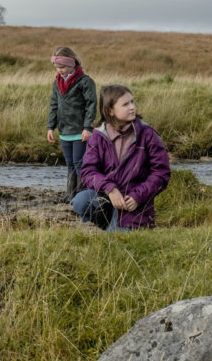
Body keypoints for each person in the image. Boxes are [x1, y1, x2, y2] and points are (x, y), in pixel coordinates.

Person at [72, 84, 171, 231]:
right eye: (125, 104)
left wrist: (138, 196)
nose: (132, 107)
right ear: (109, 111)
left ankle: (116, 226)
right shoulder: (97, 137)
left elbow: (161, 173)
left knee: (119, 242)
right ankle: (106, 223)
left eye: (132, 102)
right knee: (80, 201)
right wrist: (110, 189)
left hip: (133, 203)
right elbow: (88, 171)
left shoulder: (148, 134)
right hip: (106, 196)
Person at [47, 46, 97, 203]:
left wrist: (87, 127)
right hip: (64, 131)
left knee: (79, 164)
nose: (59, 70)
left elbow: (91, 105)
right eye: (57, 67)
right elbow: (54, 105)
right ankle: (70, 194)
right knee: (69, 164)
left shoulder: (85, 81)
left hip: (80, 132)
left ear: (72, 63)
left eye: (62, 67)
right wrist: (50, 127)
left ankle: (81, 196)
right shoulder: (57, 82)